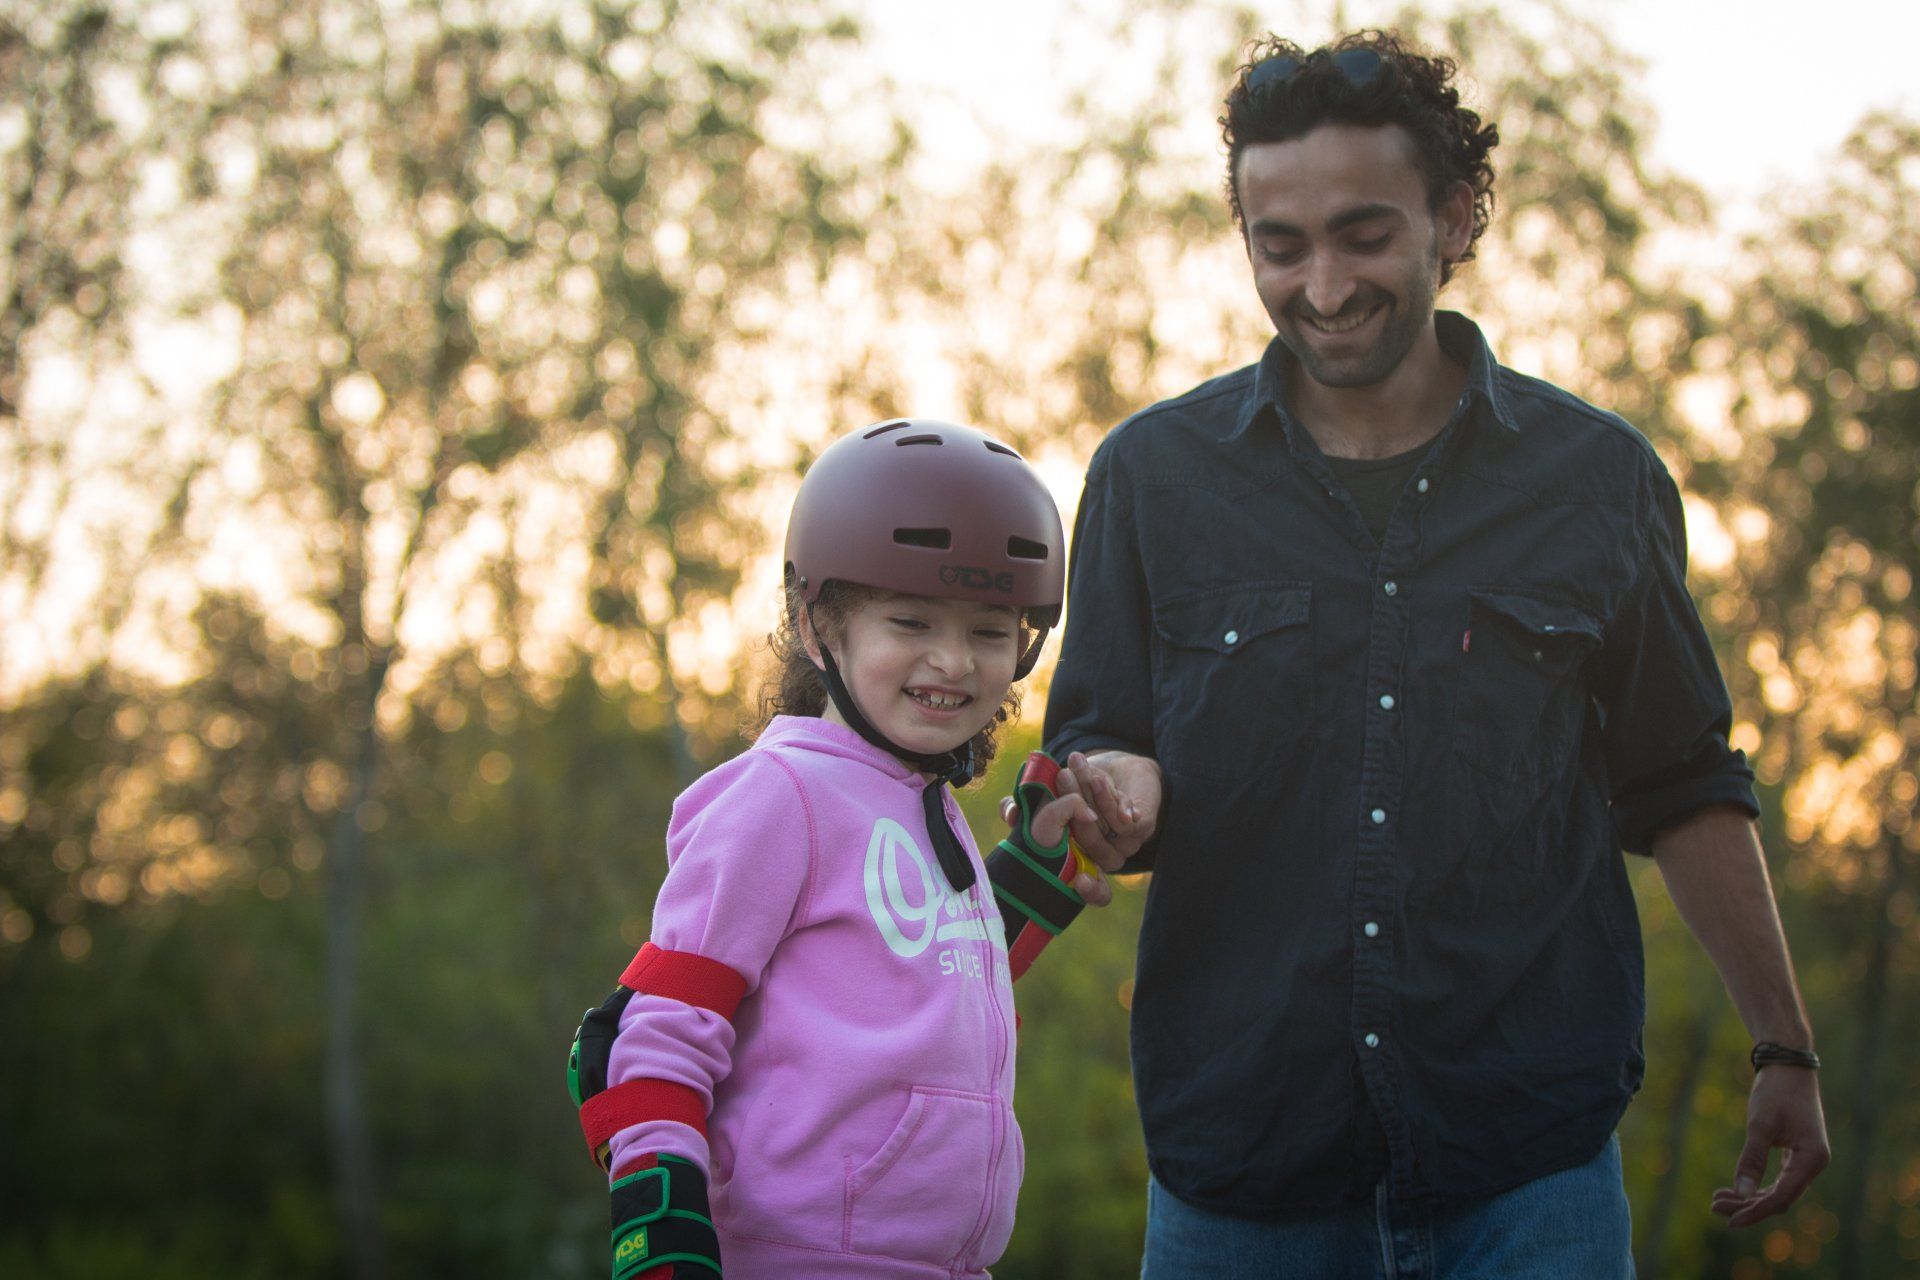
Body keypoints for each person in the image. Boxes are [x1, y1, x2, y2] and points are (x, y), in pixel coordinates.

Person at [1038, 31, 1831, 1277]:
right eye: (1279, 244)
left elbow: (1684, 784)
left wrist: (1783, 1044)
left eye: (1364, 234)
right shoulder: (1149, 480)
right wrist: (1104, 801)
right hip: (1242, 1173)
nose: (1324, 285)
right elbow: (1097, 746)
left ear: (1455, 216)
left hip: (1531, 1176)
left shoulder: (1598, 482)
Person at [565, 418, 1106, 1280]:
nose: (953, 661)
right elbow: (652, 1032)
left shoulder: (922, 800)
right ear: (819, 625)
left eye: (990, 632)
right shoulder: (782, 798)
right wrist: (661, 1241)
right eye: (910, 620)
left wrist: (1036, 876)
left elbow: (913, 980)